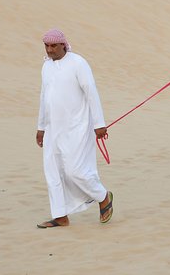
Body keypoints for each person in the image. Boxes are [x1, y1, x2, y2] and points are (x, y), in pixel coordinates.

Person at [35, 28, 113, 228]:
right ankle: (60, 216)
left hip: (77, 127)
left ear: (63, 45)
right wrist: (41, 127)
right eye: (47, 46)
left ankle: (103, 196)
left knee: (74, 170)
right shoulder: (46, 67)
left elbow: (91, 92)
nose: (50, 50)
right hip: (53, 129)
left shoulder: (78, 63)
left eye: (53, 46)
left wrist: (99, 124)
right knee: (53, 172)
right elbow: (44, 97)